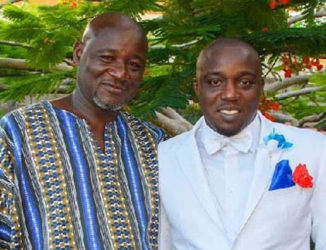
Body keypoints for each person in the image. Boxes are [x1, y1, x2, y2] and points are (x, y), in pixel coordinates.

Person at [0, 12, 165, 249]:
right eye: (107, 58)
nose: (120, 73)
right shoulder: (18, 133)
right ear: (78, 54)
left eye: (134, 65)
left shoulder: (153, 142)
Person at [158, 38, 326, 249]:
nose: (230, 94)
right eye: (215, 82)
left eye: (245, 82)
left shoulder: (314, 149)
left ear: (261, 87)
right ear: (197, 88)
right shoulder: (163, 158)